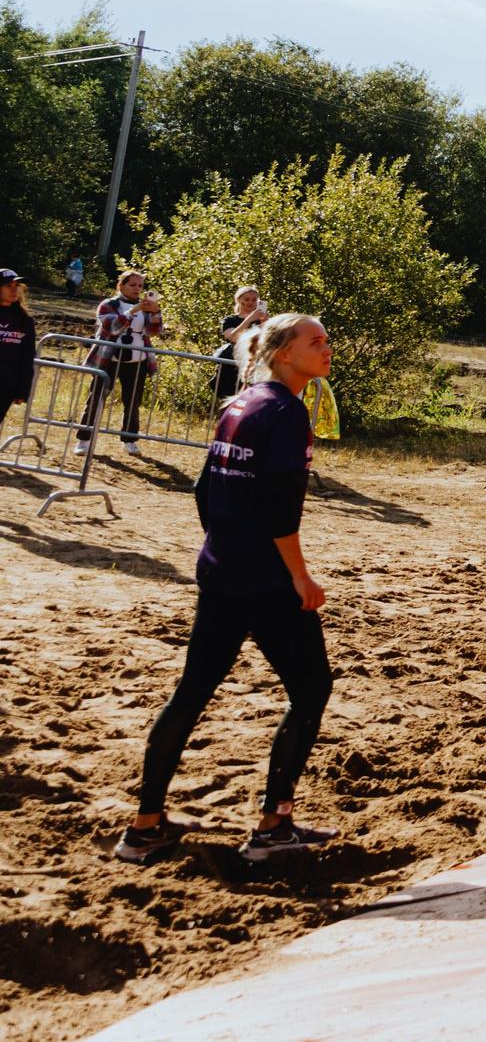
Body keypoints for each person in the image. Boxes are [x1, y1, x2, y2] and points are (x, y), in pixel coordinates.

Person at [114, 313, 340, 865]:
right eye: (315, 342)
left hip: (220, 571)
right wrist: (300, 576)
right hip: (265, 579)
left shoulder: (241, 403)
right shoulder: (287, 413)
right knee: (311, 690)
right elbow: (280, 512)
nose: (327, 349)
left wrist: (226, 541)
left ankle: (144, 828)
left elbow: (203, 487)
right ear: (283, 353)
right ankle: (273, 827)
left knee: (192, 692)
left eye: (327, 341)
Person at [79, 270, 162, 448]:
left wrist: (155, 312)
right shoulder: (109, 304)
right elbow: (113, 327)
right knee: (96, 399)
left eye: (140, 286)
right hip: (108, 360)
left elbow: (152, 332)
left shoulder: (145, 308)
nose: (137, 289)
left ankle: (129, 441)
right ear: (121, 286)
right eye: (132, 285)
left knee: (133, 403)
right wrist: (133, 311)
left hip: (137, 361)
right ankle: (84, 439)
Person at [216, 285, 268, 401]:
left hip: (254, 366)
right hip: (231, 367)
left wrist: (266, 324)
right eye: (247, 299)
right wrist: (248, 320)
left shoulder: (259, 321)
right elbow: (233, 337)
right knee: (229, 400)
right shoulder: (230, 320)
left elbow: (269, 341)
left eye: (254, 300)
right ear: (239, 299)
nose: (250, 303)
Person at [0, 271, 35, 445]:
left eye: (17, 286)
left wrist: (23, 390)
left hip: (7, 383)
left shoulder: (25, 321)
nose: (14, 290)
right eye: (8, 286)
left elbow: (27, 357)